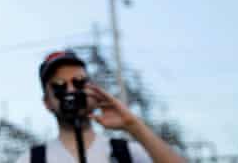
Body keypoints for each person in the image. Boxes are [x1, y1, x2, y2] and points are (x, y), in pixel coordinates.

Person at [14, 50, 185, 163]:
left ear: (91, 89)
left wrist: (133, 125)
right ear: (47, 102)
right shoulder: (31, 159)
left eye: (79, 82)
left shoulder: (126, 153)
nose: (71, 90)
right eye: (59, 85)